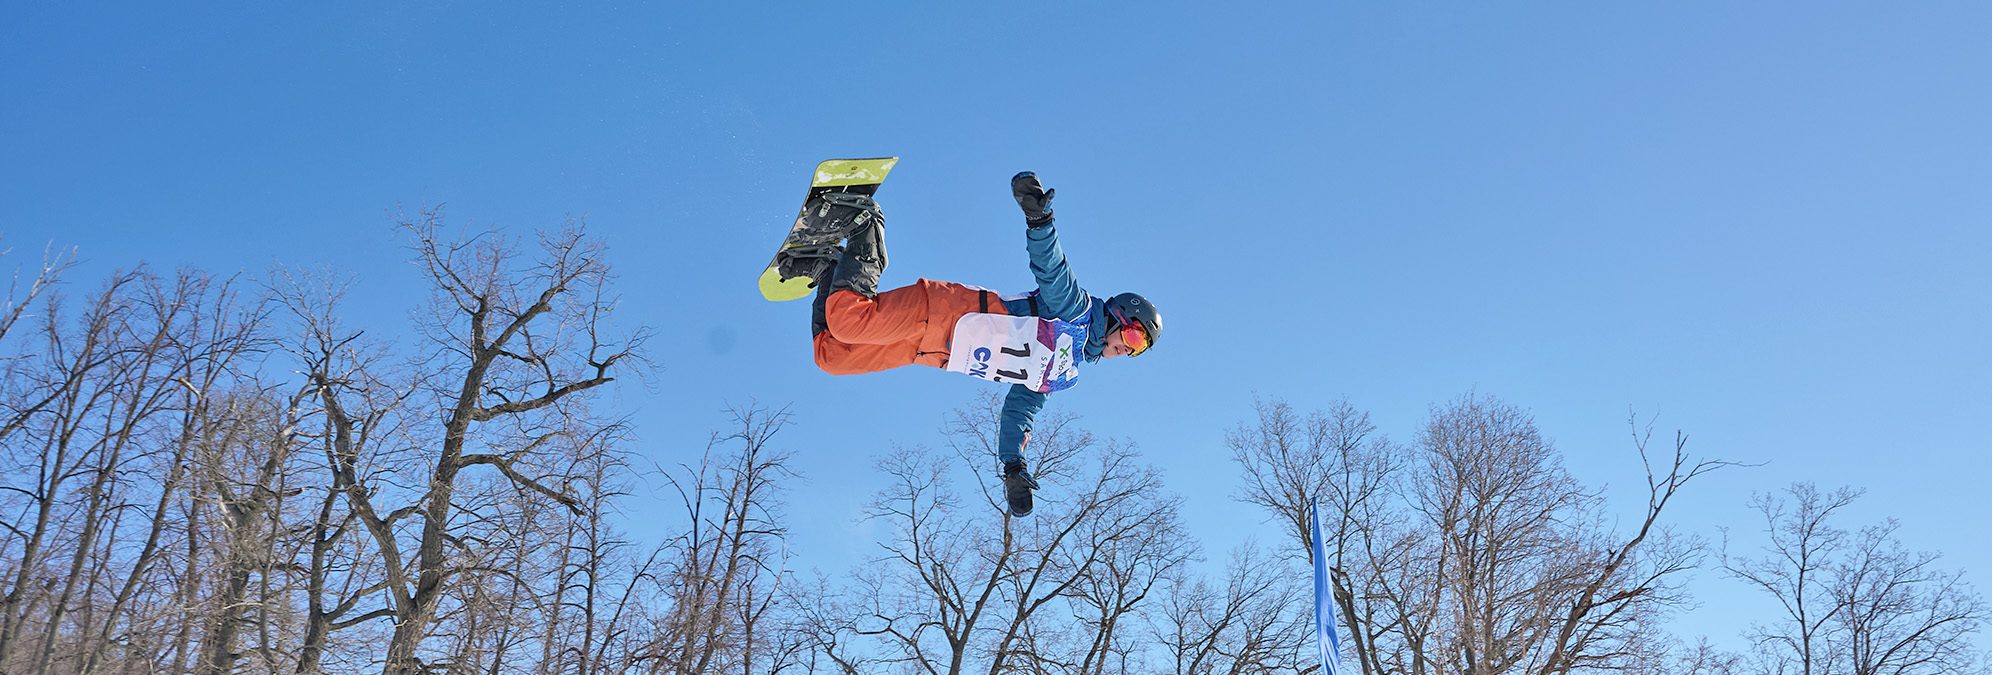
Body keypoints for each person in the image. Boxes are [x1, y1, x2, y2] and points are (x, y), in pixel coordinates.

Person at [773, 171, 1162, 517]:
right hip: (945, 312)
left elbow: (1020, 410)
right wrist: (1040, 221)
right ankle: (866, 223)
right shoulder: (1076, 313)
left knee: (832, 355)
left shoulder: (1063, 370)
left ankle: (829, 265)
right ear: (1116, 315)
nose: (1128, 350)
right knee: (848, 321)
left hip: (929, 353)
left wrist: (1014, 467)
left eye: (1138, 349)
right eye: (1132, 336)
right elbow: (1053, 272)